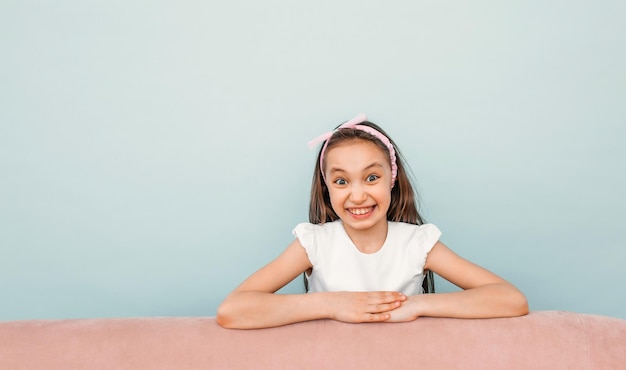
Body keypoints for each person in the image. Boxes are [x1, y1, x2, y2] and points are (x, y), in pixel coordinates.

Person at [217, 114, 528, 329]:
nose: (357, 195)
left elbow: (510, 300)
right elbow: (233, 310)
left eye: (371, 177)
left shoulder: (417, 244)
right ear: (326, 187)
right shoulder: (314, 244)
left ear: (391, 178)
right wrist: (334, 305)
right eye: (341, 182)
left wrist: (415, 306)